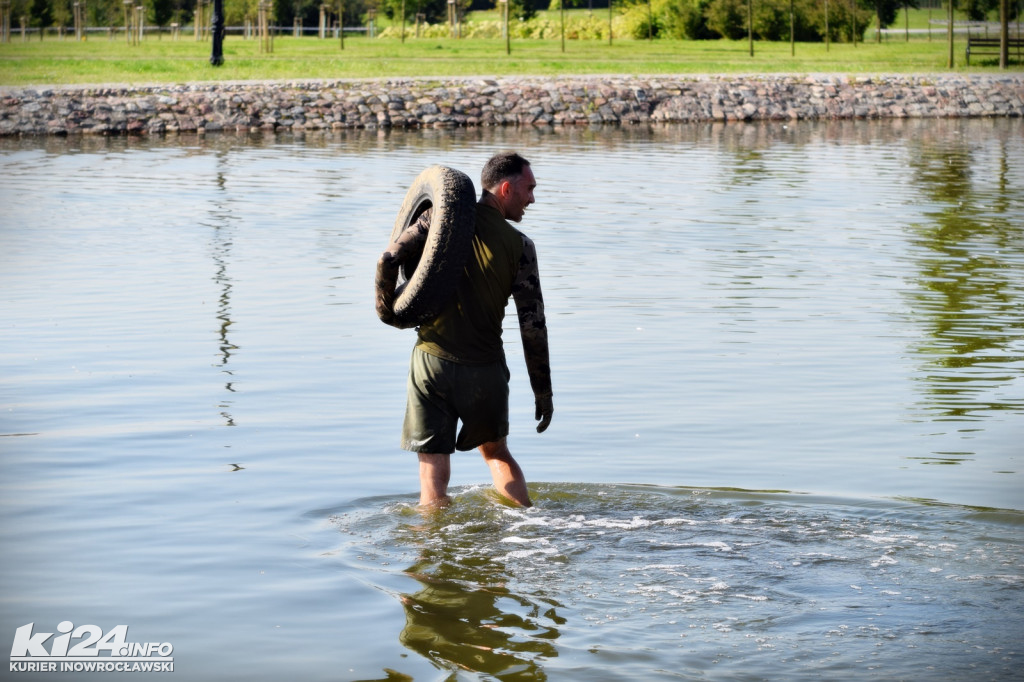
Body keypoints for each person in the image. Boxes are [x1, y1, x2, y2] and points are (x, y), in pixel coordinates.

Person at [375, 152, 553, 508]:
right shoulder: (521, 247)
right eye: (529, 189)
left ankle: (431, 544)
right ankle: (528, 529)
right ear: (505, 188)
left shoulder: (433, 221)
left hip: (432, 367)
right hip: (485, 370)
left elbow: (389, 258)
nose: (532, 198)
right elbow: (532, 327)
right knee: (497, 454)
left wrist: (388, 309)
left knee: (432, 473)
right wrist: (543, 393)